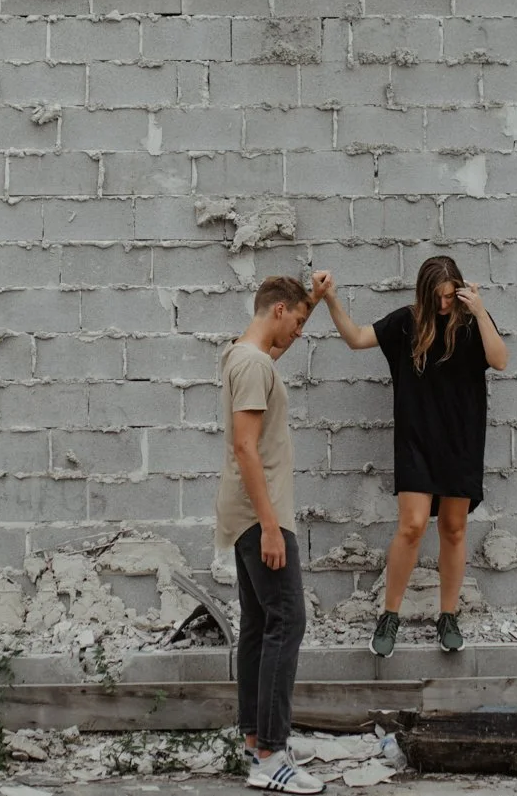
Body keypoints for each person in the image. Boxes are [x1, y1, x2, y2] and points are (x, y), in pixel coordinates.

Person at [314, 256, 508, 658]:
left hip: (461, 440)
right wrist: (330, 299)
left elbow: (500, 360)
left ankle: (448, 616)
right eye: (437, 297)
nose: (443, 305)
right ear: (425, 292)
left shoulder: (471, 323)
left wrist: (480, 310)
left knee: (454, 528)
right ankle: (389, 616)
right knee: (412, 526)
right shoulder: (408, 322)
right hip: (417, 440)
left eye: (449, 296)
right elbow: (355, 338)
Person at [217, 275, 325, 794]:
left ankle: (254, 742)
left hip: (243, 513)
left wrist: (317, 302)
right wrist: (269, 527)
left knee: (260, 625)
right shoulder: (255, 363)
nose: (300, 333)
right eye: (298, 321)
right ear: (278, 310)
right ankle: (273, 755)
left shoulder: (242, 357)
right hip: (261, 515)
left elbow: (267, 364)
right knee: (289, 619)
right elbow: (245, 447)